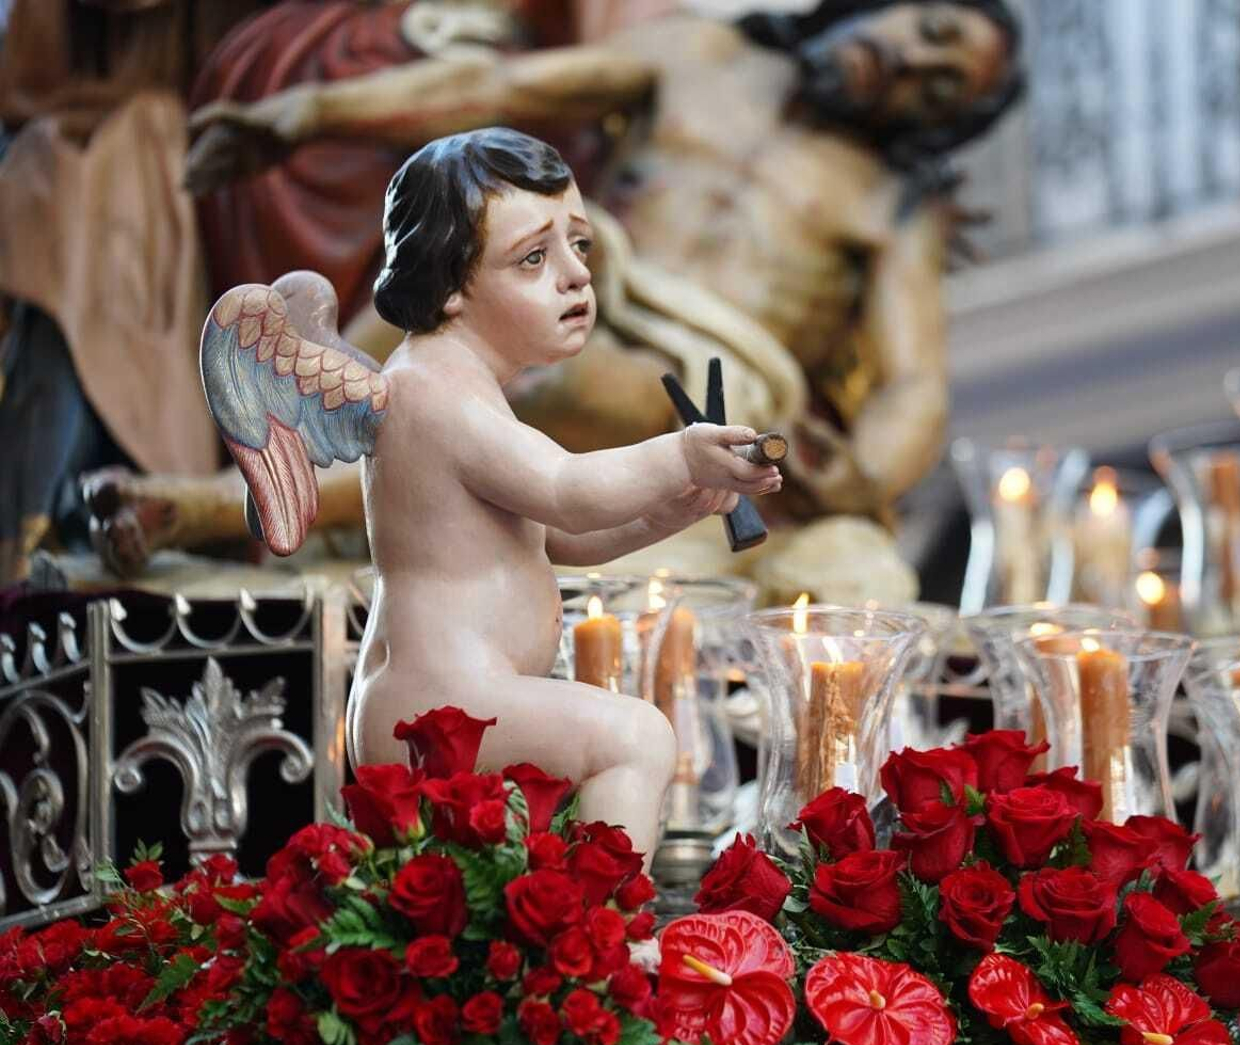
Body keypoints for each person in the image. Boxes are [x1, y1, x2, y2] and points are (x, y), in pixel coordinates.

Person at [89, 0, 1024, 602]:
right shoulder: (697, 52)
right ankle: (258, 506)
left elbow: (913, 385)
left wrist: (863, 475)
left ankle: (210, 510)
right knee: (429, 314)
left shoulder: (890, 205)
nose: (913, 68)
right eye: (931, 33)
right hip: (577, 272)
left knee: (524, 385)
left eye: (945, 92)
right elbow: (495, 86)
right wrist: (313, 113)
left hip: (700, 367)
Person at [202, 128, 781, 862]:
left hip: (459, 699)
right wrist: (680, 452)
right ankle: (606, 931)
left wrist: (674, 503)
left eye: (581, 245)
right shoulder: (430, 391)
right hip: (438, 707)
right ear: (448, 286)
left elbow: (555, 537)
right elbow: (568, 490)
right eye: (535, 258)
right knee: (636, 737)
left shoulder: (467, 387)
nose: (575, 276)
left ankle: (567, 930)